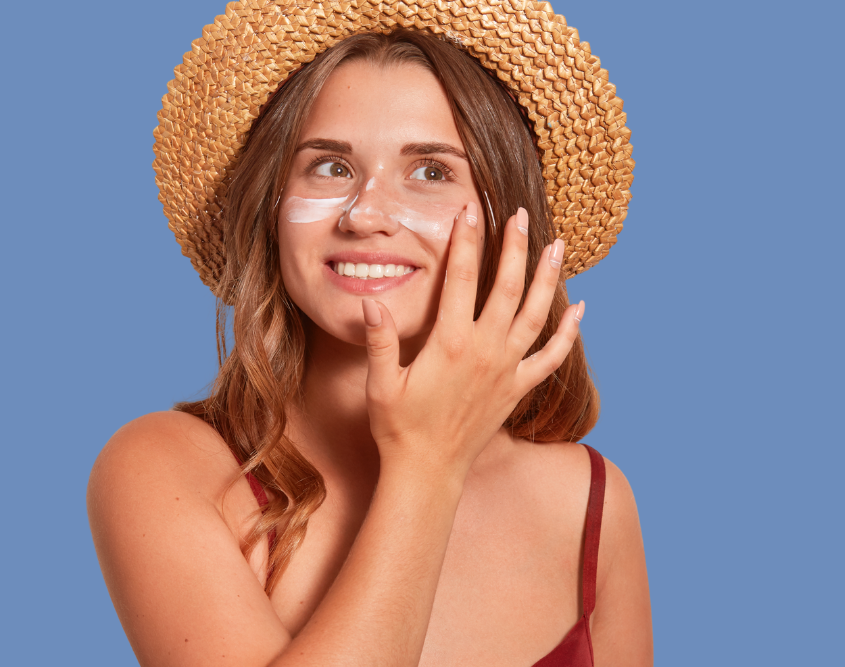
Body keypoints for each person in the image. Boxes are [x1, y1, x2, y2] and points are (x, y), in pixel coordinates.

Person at [88, 2, 652, 665]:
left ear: (509, 218)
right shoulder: (168, 469)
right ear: (272, 211)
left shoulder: (590, 501)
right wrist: (427, 464)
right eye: (329, 166)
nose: (367, 214)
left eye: (432, 171)